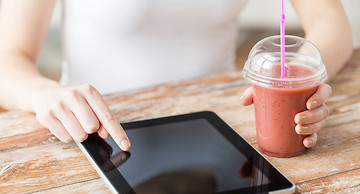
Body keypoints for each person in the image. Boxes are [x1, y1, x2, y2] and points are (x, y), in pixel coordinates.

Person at [0, 0, 353, 151]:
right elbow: (9, 58)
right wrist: (41, 93)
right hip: (96, 136)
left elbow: (331, 23)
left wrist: (303, 77)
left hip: (225, 131)